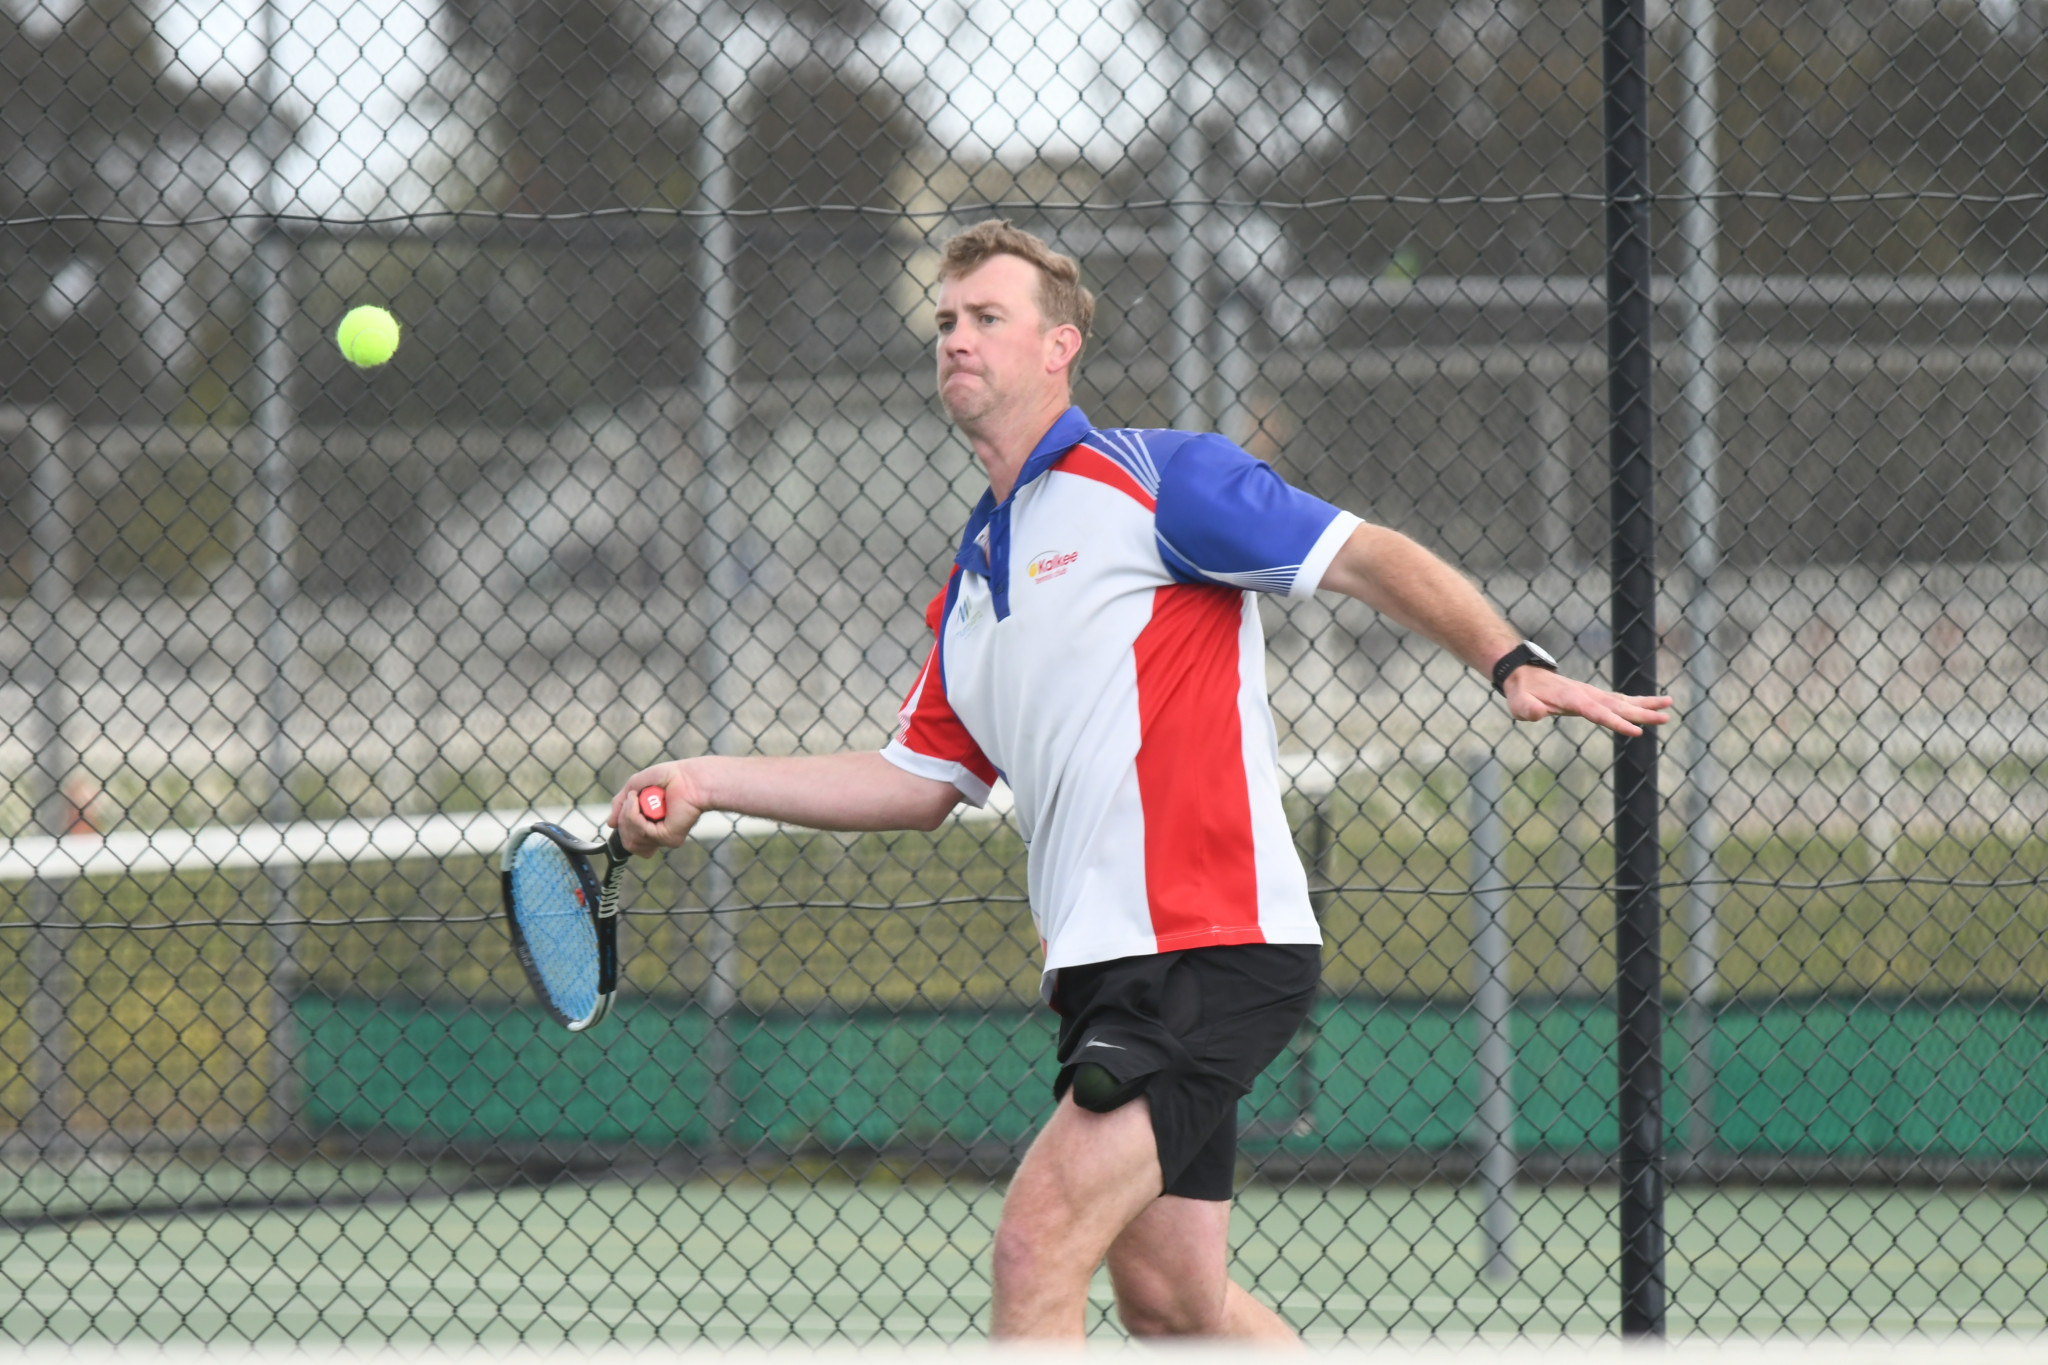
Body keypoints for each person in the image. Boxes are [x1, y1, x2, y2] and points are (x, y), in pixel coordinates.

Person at [611, 220, 1673, 1341]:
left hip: (1205, 947)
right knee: (1172, 1305)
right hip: (1103, 973)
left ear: (1059, 343)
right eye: (943, 322)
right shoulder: (972, 580)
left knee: (1034, 1246)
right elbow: (916, 782)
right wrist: (707, 778)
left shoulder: (1157, 478)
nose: (955, 341)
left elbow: (1362, 553)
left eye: (985, 319)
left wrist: (1506, 660)